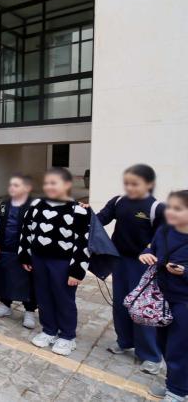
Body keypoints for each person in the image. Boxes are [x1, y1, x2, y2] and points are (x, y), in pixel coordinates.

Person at [95, 164, 164, 374]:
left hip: (143, 265)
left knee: (141, 307)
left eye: (135, 184)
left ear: (149, 184)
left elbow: (162, 236)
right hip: (120, 261)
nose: (130, 188)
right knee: (120, 303)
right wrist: (83, 212)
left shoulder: (156, 208)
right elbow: (99, 219)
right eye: (127, 183)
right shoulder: (118, 201)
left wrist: (149, 250)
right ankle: (124, 341)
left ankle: (151, 355)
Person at [18, 167, 90, 357]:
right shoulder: (36, 206)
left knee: (64, 298)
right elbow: (27, 231)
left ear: (67, 185)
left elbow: (83, 243)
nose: (49, 186)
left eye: (54, 183)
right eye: (47, 183)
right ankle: (49, 330)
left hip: (63, 263)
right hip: (39, 260)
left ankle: (67, 336)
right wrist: (25, 255)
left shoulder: (78, 211)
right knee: (43, 296)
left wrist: (77, 270)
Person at [140, 190, 188, 402]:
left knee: (180, 347)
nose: (170, 212)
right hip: (161, 297)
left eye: (178, 209)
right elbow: (151, 249)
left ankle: (177, 392)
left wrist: (184, 272)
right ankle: (174, 385)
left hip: (184, 302)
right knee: (165, 344)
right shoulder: (164, 230)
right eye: (169, 207)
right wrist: (146, 254)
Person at [0, 173, 36, 329]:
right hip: (5, 249)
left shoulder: (34, 205)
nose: (12, 188)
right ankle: (5, 305)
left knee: (28, 281)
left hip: (25, 251)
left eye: (16, 185)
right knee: (4, 278)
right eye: (11, 185)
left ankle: (29, 310)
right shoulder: (5, 204)